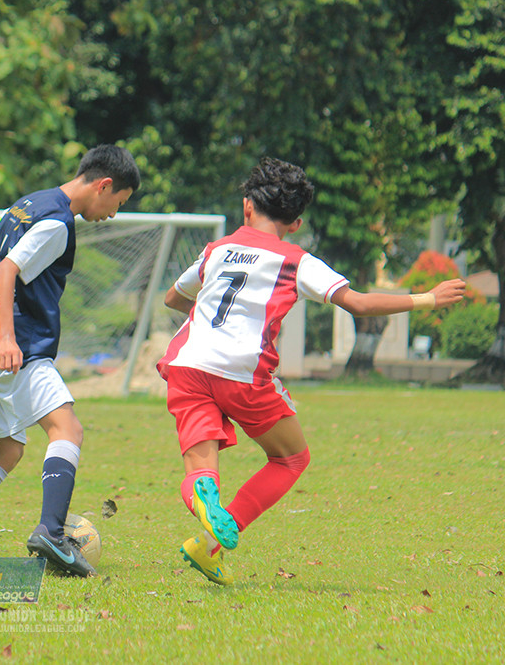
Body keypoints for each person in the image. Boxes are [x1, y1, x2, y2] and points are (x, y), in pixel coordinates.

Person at [157, 157, 466, 585]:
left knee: (201, 469)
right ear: (296, 222)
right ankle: (216, 536)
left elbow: (174, 298)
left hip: (188, 365)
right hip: (243, 373)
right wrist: (426, 299)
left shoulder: (216, 250)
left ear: (247, 206)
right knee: (290, 458)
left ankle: (205, 532)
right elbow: (357, 303)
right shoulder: (296, 260)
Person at [0, 144, 141, 577]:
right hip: (13, 345)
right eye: (118, 203)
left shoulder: (27, 204)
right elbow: (6, 271)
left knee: (6, 449)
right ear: (104, 185)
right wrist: (5, 335)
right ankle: (53, 535)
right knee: (67, 429)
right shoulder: (58, 222)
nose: (114, 213)